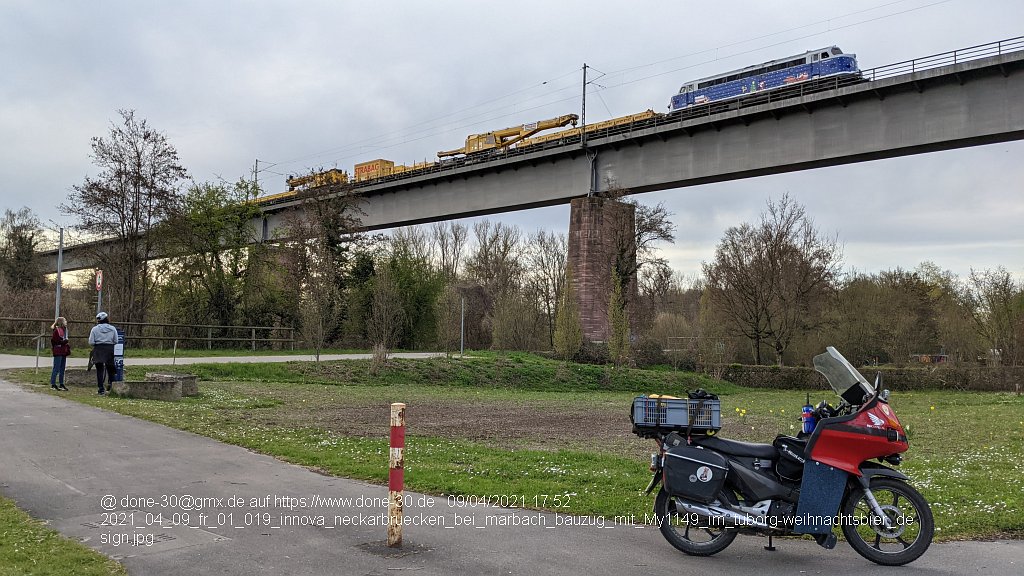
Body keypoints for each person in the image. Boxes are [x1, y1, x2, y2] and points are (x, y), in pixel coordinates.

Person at [88, 312, 118, 395]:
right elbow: (116, 340)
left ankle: (101, 388)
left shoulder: (94, 329)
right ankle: (112, 386)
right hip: (109, 349)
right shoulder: (112, 328)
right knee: (110, 369)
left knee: (99, 369)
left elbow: (91, 342)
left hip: (98, 349)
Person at [49, 317, 70, 391]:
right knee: (56, 368)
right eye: (65, 321)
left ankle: (61, 383)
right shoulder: (57, 331)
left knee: (62, 368)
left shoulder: (65, 330)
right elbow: (54, 341)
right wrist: (63, 342)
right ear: (61, 322)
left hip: (63, 350)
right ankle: (53, 383)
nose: (66, 322)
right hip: (58, 350)